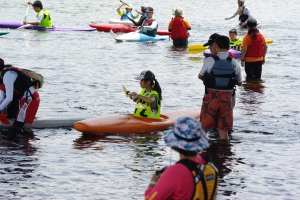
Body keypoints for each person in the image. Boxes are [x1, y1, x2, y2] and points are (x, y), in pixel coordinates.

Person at [144, 116, 218, 199]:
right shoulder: (210, 166)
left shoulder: (175, 172)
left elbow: (149, 198)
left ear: (174, 144)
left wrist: (154, 180)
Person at [198, 36, 242, 140]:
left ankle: (199, 152)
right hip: (227, 99)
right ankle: (224, 154)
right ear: (229, 47)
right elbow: (239, 83)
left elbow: (200, 76)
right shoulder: (234, 62)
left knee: (204, 128)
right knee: (223, 132)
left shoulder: (209, 60)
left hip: (211, 97)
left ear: (216, 46)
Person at [0, 58, 40, 134]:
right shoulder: (3, 74)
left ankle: (23, 145)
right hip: (23, 100)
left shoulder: (8, 75)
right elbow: (2, 95)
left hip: (30, 99)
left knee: (16, 129)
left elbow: (9, 98)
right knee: (11, 121)